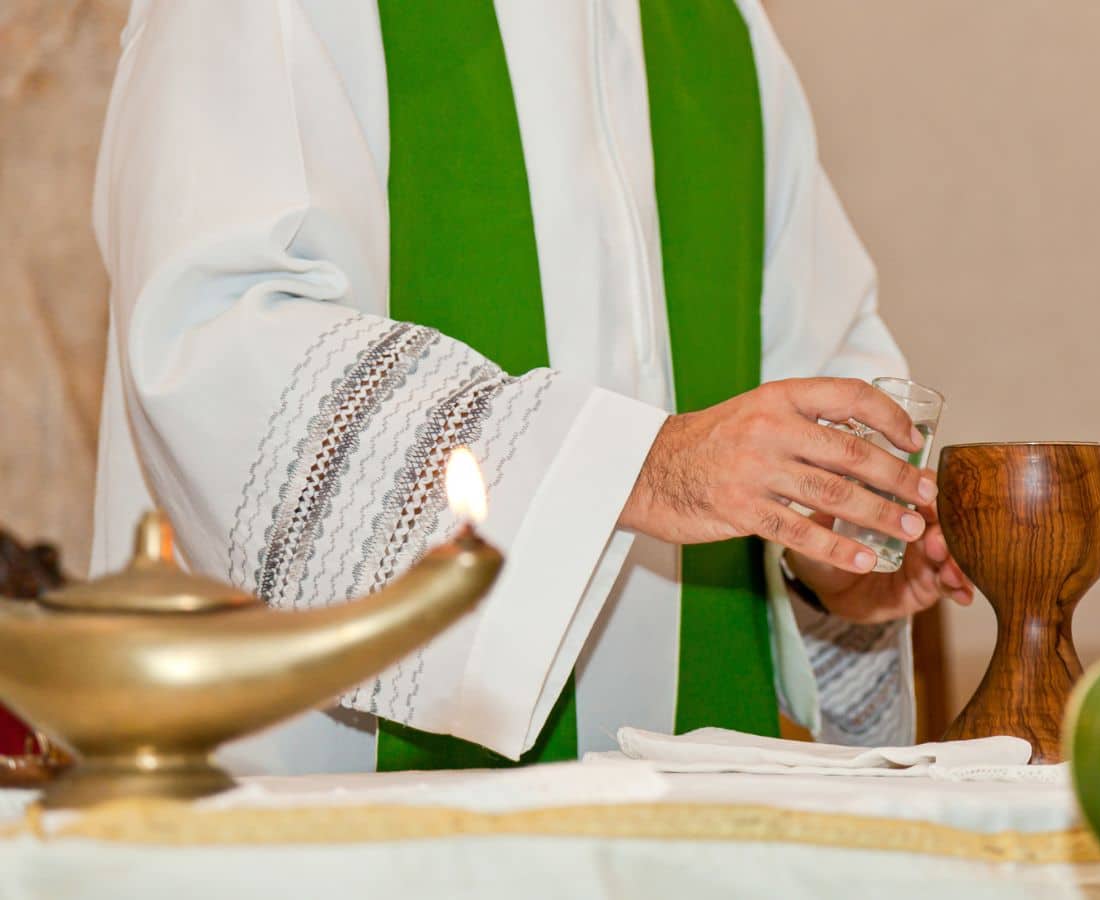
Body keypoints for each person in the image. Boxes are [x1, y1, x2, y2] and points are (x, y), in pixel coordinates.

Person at [90, 0, 971, 775]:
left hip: (674, 842)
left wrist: (826, 569)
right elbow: (213, 351)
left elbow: (820, 371)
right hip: (330, 818)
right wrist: (638, 469)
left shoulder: (719, 23)